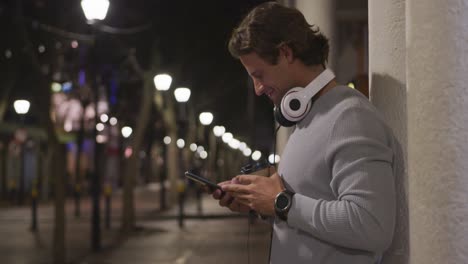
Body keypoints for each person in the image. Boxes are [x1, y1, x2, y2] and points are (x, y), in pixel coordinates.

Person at [212, 2, 402, 264]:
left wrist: (281, 202)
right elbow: (310, 204)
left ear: (286, 53)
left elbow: (372, 225)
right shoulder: (308, 118)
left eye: (259, 74)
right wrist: (260, 200)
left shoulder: (349, 117)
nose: (257, 88)